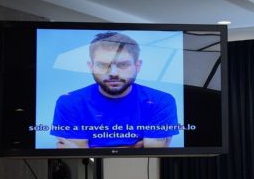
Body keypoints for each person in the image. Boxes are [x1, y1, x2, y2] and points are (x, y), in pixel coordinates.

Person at [50, 31, 179, 148]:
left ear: (137, 66)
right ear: (91, 67)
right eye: (103, 65)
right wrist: (134, 147)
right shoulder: (69, 102)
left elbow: (152, 153)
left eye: (123, 65)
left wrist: (91, 147)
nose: (113, 73)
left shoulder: (161, 101)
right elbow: (80, 156)